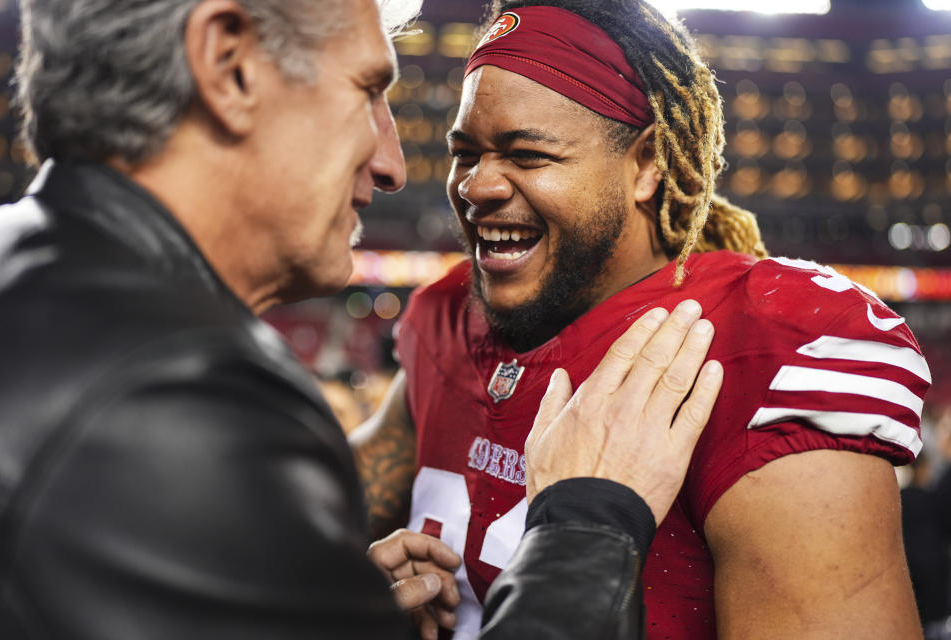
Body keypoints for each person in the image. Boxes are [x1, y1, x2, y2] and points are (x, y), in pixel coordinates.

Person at [0, 0, 723, 638]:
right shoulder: (174, 389)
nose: (393, 162)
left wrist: (318, 609)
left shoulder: (22, 262)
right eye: (368, 89)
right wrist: (587, 524)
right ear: (229, 63)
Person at [351, 1, 932, 638]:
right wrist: (343, 592)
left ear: (648, 163)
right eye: (467, 153)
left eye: (528, 155)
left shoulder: (759, 344)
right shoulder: (449, 312)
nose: (477, 185)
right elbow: (305, 525)